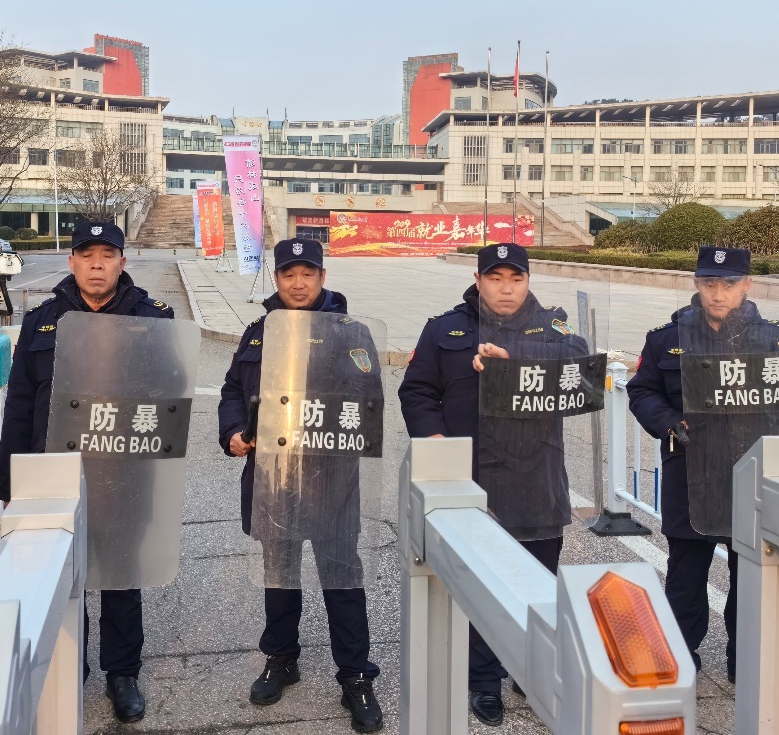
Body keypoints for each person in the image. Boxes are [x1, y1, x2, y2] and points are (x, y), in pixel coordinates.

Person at [398, 242, 588, 726]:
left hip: (536, 478)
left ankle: (533, 671)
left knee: (539, 586)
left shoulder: (553, 326)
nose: (506, 288)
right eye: (495, 278)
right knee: (480, 585)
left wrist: (513, 356)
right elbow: (416, 390)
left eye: (515, 278)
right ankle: (483, 681)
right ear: (478, 280)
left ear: (528, 281)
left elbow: (581, 368)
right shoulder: (445, 329)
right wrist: (435, 440)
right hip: (471, 478)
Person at [0, 221, 174, 724]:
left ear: (122, 262)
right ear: (72, 261)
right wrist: (10, 482)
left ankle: (123, 673)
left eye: (107, 255)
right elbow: (21, 406)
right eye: (87, 254)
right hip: (55, 475)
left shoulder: (153, 318)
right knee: (60, 576)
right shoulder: (43, 322)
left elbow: (171, 396)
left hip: (123, 472)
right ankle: (70, 666)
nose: (97, 264)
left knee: (120, 577)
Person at [217, 238, 383, 733]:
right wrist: (232, 431)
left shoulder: (351, 333)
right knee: (279, 576)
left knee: (342, 579)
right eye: (288, 273)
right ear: (276, 279)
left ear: (322, 277)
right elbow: (231, 390)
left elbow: (368, 399)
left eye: (307, 273)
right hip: (274, 478)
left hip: (332, 480)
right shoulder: (258, 332)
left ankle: (355, 674)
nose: (298, 282)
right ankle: (281, 658)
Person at [626, 246, 779, 684]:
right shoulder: (666, 339)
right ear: (697, 285)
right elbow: (642, 391)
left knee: (752, 577)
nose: (718, 293)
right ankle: (679, 660)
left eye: (728, 283)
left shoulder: (775, 338)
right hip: (691, 470)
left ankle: (747, 665)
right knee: (685, 576)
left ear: (747, 285)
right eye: (709, 283)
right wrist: (669, 422)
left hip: (751, 470)